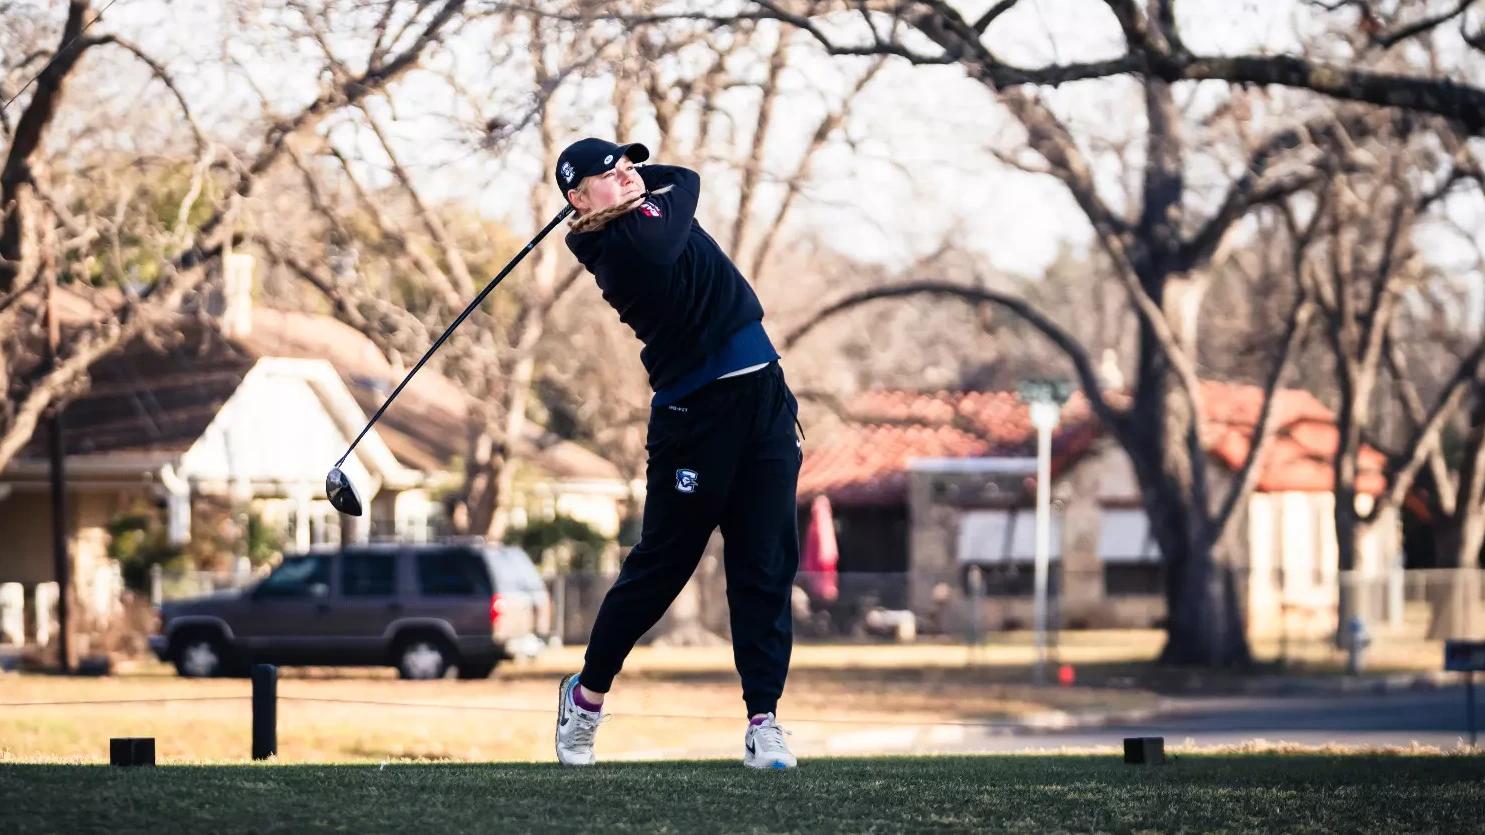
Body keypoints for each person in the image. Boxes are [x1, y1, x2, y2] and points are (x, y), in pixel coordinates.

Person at [551, 137, 802, 770]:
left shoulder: (645, 212)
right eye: (610, 174)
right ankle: (585, 699)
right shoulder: (618, 248)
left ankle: (764, 719)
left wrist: (631, 179)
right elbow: (683, 187)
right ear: (578, 199)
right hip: (695, 420)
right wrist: (643, 189)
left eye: (630, 165)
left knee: (765, 563)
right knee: (663, 566)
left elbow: (680, 176)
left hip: (764, 398)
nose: (629, 176)